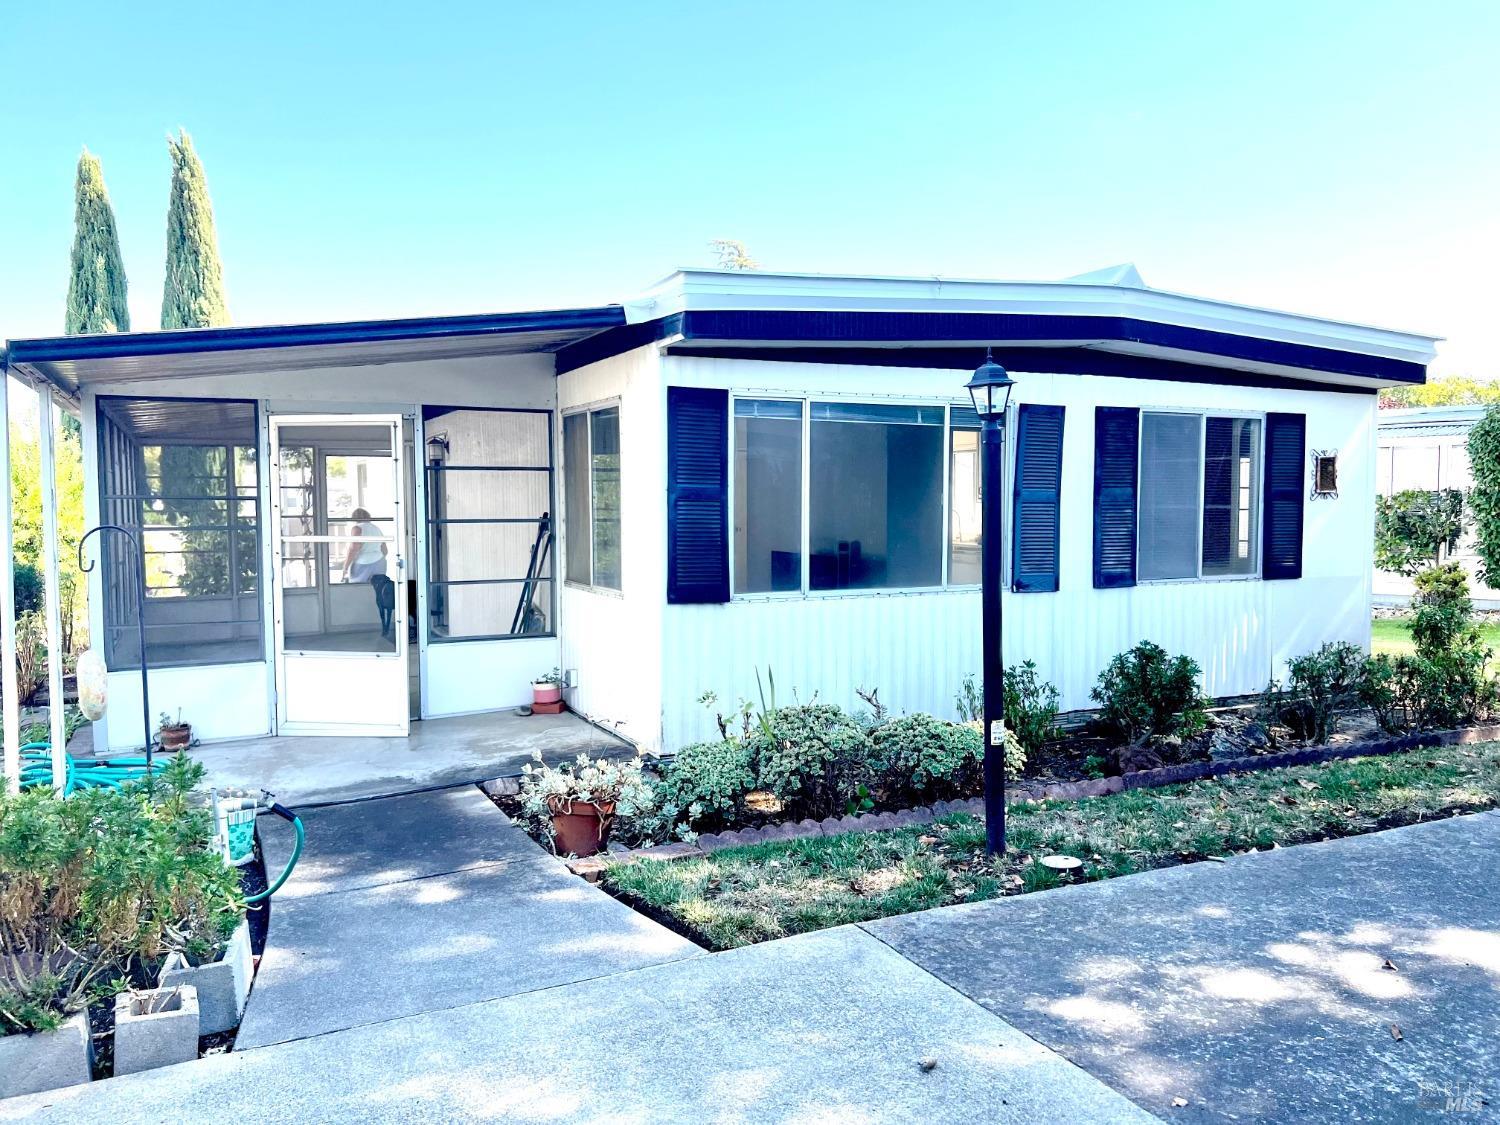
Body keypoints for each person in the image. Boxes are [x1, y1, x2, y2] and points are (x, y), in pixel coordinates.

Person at [341, 508, 392, 637]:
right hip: (379, 561)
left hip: (362, 564)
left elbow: (354, 549)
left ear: (354, 518)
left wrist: (345, 568)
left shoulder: (357, 528)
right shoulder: (376, 528)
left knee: (359, 592)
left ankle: (360, 622)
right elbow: (385, 550)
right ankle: (379, 624)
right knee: (379, 593)